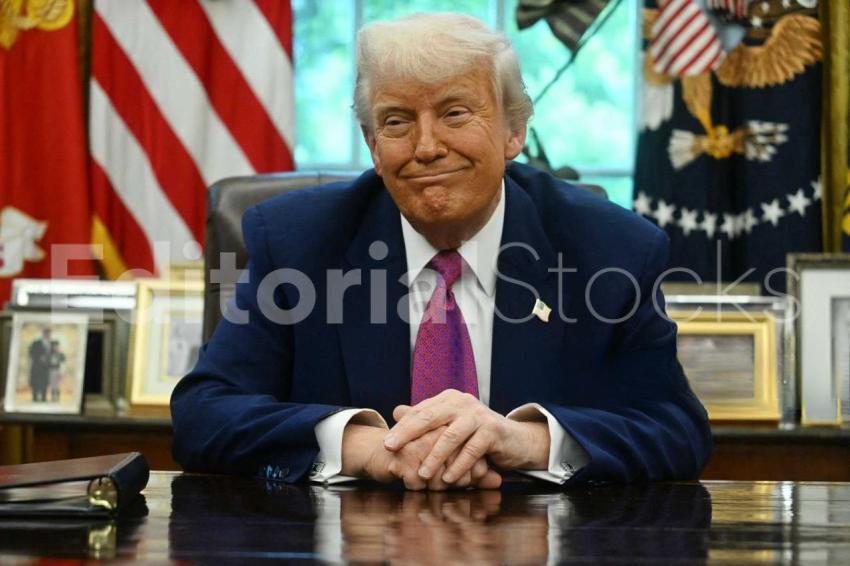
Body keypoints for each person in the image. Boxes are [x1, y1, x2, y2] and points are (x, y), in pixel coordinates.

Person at [171, 12, 712, 489]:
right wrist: (364, 448)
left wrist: (524, 440)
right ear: (373, 146)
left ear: (514, 131)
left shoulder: (611, 249)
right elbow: (204, 414)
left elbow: (676, 429)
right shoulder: (298, 242)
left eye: (455, 113)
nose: (427, 147)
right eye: (397, 121)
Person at [28, 328, 52, 402]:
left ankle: (44, 398)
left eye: (49, 333)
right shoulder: (36, 343)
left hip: (46, 367)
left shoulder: (51, 344)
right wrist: (39, 357)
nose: (47, 335)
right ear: (43, 334)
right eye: (46, 333)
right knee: (35, 382)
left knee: (45, 382)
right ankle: (34, 397)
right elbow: (31, 352)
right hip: (37, 366)